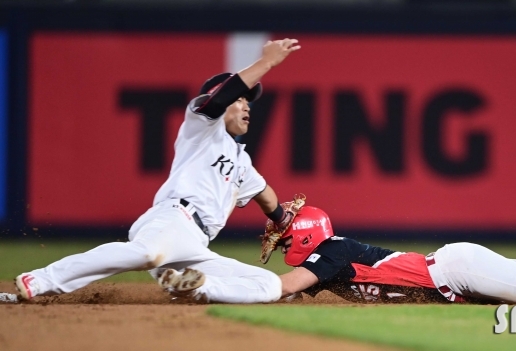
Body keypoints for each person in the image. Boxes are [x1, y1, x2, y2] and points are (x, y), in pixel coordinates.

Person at [12, 38, 302, 304]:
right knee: (148, 254)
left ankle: (192, 286)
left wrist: (283, 221)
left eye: (247, 101)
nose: (246, 105)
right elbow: (218, 100)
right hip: (173, 220)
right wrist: (266, 63)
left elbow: (265, 195)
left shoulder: (242, 160)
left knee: (270, 285)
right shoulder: (200, 127)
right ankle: (40, 279)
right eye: (239, 99)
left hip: (195, 246)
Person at [264, 198, 516, 304]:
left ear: (303, 235)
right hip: (455, 276)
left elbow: (283, 287)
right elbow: (294, 295)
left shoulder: (329, 255)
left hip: (456, 271)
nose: (282, 244)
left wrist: (211, 286)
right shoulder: (329, 261)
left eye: (284, 237)